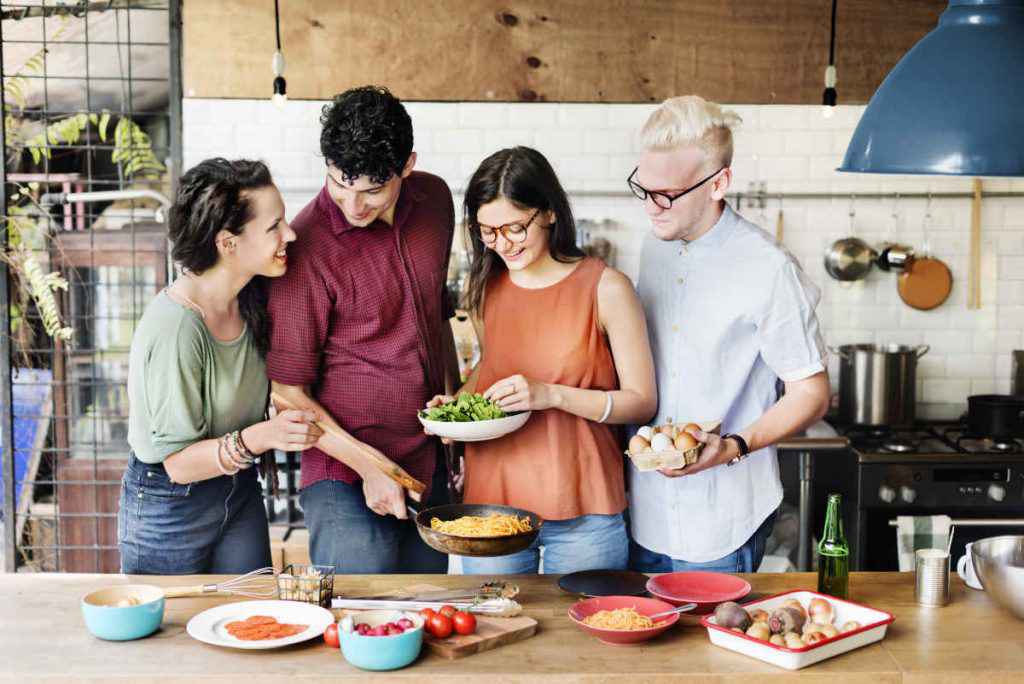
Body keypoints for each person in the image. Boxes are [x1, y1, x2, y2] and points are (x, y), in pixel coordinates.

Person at [427, 146, 657, 575]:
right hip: (492, 507)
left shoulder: (607, 288)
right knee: (499, 636)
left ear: (549, 212)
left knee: (579, 640)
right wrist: (456, 408)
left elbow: (641, 401)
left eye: (515, 227)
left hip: (584, 506)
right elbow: (490, 369)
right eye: (487, 232)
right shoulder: (485, 288)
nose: (502, 244)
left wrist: (549, 395)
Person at [626, 95, 831, 573]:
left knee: (710, 647)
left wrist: (734, 447)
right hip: (645, 511)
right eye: (644, 188)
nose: (652, 208)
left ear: (719, 183)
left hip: (723, 516)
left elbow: (811, 393)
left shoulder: (768, 267)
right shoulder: (652, 247)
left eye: (668, 194)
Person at [266, 86, 458, 574]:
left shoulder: (436, 201)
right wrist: (371, 467)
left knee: (428, 616)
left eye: (372, 189)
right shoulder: (305, 246)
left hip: (429, 460)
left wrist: (457, 425)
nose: (352, 205)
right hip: (342, 474)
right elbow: (288, 393)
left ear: (407, 165)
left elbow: (437, 319)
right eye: (338, 183)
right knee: (359, 618)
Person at [119, 158, 320, 575]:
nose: (291, 234)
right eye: (274, 227)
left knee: (254, 619)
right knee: (171, 637)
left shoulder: (251, 299)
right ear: (228, 244)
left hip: (238, 489)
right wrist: (264, 436)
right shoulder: (176, 328)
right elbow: (177, 464)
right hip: (170, 506)